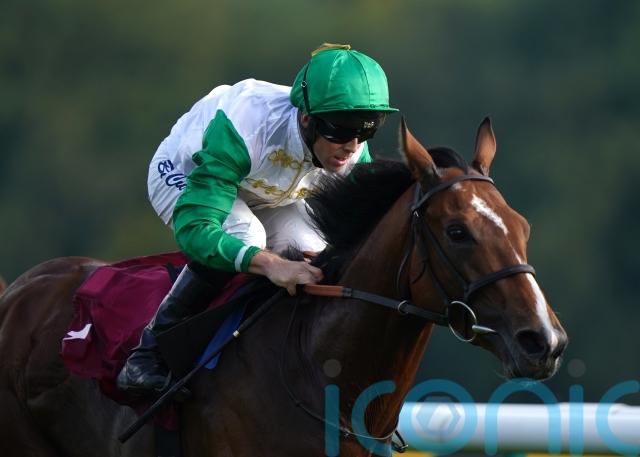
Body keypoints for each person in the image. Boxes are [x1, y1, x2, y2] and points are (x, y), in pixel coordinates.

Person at [116, 43, 398, 395]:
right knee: (248, 237)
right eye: (341, 130)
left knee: (315, 255)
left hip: (270, 190)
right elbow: (197, 232)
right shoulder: (245, 126)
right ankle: (147, 355)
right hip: (189, 174)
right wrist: (269, 263)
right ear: (306, 118)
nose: (352, 146)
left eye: (367, 130)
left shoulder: (350, 148)